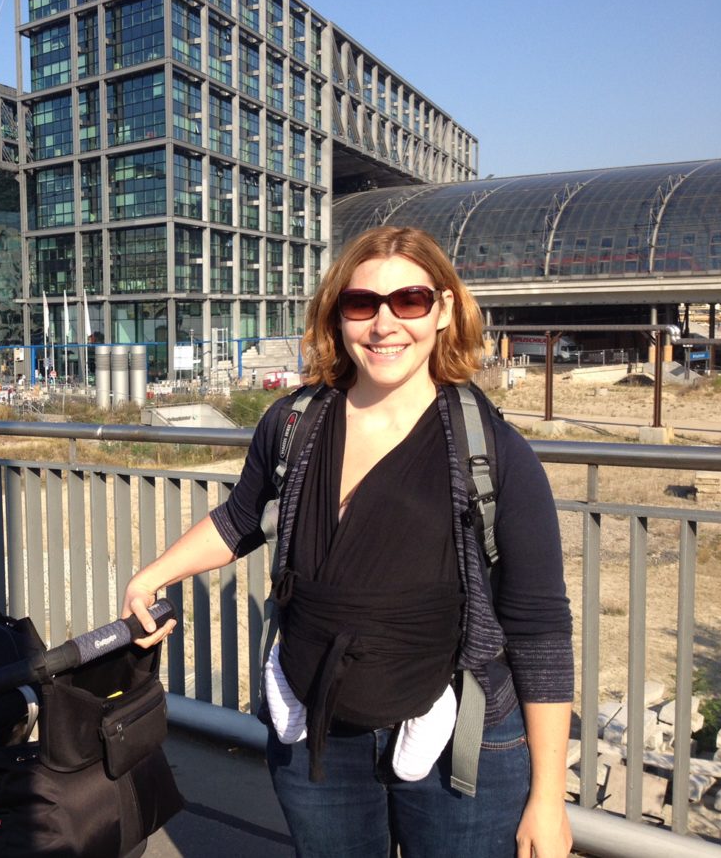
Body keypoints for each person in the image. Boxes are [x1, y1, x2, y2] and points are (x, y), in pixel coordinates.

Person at [123, 226, 573, 858]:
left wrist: (548, 801)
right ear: (337, 316)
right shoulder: (294, 423)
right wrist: (152, 576)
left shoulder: (490, 449)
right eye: (363, 304)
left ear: (444, 309)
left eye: (409, 301)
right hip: (317, 731)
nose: (385, 324)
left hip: (458, 737)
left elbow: (540, 628)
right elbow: (240, 520)